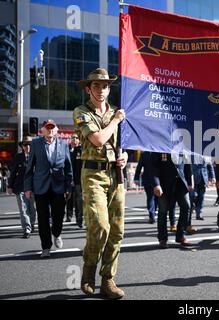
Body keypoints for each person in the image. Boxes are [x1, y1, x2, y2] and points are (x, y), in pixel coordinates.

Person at [73, 68, 128, 299]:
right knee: (100, 226)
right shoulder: (81, 112)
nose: (101, 90)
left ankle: (108, 280)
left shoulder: (117, 111)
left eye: (105, 86)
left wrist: (123, 156)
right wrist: (115, 120)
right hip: (93, 176)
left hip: (115, 176)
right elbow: (97, 140)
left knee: (116, 231)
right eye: (96, 85)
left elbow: (120, 143)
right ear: (88, 88)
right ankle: (88, 270)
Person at [24, 119, 73, 258]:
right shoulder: (35, 144)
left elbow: (68, 167)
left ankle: (57, 233)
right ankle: (45, 247)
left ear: (56, 130)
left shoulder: (64, 144)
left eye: (53, 127)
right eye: (48, 127)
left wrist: (68, 187)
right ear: (43, 130)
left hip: (59, 186)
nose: (50, 130)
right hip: (40, 186)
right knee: (43, 218)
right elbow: (30, 168)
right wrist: (28, 187)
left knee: (58, 215)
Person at [150, 152, 193, 248]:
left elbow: (187, 164)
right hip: (164, 183)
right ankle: (162, 239)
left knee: (186, 207)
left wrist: (189, 182)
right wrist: (156, 184)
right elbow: (153, 166)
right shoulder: (159, 143)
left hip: (181, 182)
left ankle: (180, 235)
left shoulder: (181, 143)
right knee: (163, 211)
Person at [7, 136, 36, 238]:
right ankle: (27, 228)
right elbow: (13, 172)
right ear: (22, 147)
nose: (27, 146)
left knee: (32, 208)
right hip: (20, 187)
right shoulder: (18, 157)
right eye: (25, 145)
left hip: (34, 187)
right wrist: (10, 186)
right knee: (23, 209)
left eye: (30, 144)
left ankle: (32, 224)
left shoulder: (36, 156)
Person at [134, 151, 157, 224]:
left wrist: (136, 178)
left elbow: (139, 166)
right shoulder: (158, 152)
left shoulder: (144, 154)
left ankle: (152, 215)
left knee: (150, 198)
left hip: (147, 179)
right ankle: (153, 213)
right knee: (156, 198)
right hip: (157, 178)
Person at [67, 133, 84, 227]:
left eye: (76, 138)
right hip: (69, 179)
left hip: (78, 180)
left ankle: (79, 219)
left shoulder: (81, 150)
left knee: (79, 201)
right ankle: (68, 215)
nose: (74, 139)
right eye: (72, 138)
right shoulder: (67, 149)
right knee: (68, 199)